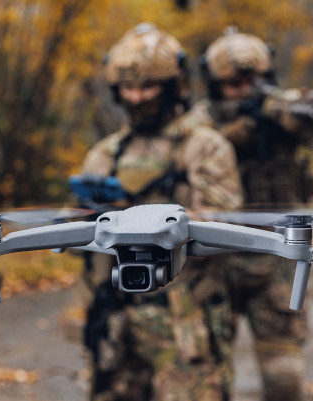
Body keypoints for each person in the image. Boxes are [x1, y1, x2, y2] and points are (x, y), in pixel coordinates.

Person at [78, 23, 243, 401]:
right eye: (128, 88)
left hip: (185, 319)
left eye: (148, 87)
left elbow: (225, 224)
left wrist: (162, 225)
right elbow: (83, 236)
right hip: (117, 318)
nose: (137, 98)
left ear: (172, 86)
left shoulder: (204, 147)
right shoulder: (104, 154)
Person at [192, 28, 313, 400]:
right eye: (235, 83)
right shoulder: (199, 123)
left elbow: (305, 119)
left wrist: (293, 114)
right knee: (205, 374)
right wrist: (237, 132)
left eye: (255, 81)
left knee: (283, 376)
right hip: (214, 257)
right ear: (215, 83)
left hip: (274, 257)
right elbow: (192, 145)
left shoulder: (279, 108)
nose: (247, 90)